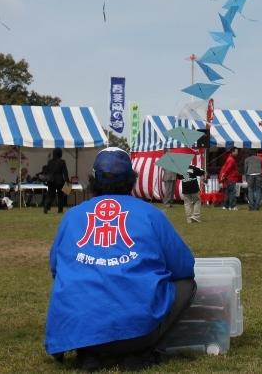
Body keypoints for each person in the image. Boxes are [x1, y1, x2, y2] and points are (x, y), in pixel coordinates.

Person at [45, 148, 196, 370]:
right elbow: (184, 267)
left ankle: (89, 353)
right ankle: (138, 350)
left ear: (93, 180)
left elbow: (56, 268)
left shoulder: (73, 216)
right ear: (131, 180)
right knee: (186, 285)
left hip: (80, 331)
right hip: (138, 332)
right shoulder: (150, 213)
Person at [42, 149, 70, 214]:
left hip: (51, 181)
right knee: (60, 196)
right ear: (60, 154)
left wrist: (45, 179)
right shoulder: (62, 162)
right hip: (60, 181)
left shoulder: (50, 162)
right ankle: (60, 210)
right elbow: (65, 172)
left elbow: (47, 171)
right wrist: (67, 181)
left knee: (50, 195)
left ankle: (46, 207)